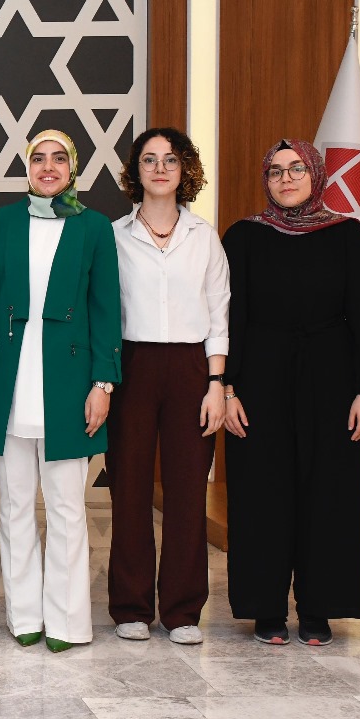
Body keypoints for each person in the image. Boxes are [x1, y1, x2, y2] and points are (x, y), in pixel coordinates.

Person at [222, 139, 360, 646]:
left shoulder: (347, 233)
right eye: (276, 171)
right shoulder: (243, 236)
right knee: (261, 491)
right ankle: (265, 608)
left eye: (297, 169)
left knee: (330, 492)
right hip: (259, 377)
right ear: (265, 180)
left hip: (333, 378)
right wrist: (228, 388)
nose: (287, 178)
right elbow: (230, 317)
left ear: (316, 175)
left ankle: (320, 608)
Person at [0, 129, 120, 653]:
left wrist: (103, 383)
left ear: (73, 168)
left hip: (69, 383)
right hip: (7, 379)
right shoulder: (0, 222)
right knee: (14, 505)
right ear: (27, 166)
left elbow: (106, 310)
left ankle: (68, 622)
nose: (47, 167)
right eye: (38, 158)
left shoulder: (95, 227)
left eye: (58, 159)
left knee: (68, 508)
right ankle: (24, 614)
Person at [107, 127, 228, 646]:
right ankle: (131, 606)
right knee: (129, 489)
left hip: (190, 371)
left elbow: (219, 313)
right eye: (150, 160)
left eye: (171, 160)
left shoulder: (204, 236)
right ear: (135, 171)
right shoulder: (113, 235)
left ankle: (182, 611)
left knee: (187, 492)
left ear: (185, 171)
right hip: (130, 366)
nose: (160, 168)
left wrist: (217, 383)